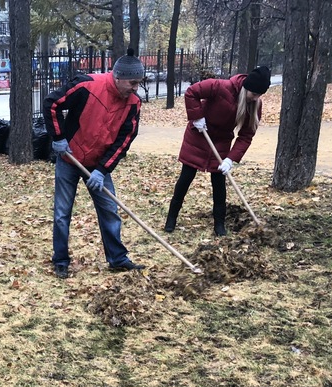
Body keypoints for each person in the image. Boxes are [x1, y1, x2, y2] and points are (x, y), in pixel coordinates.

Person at [43, 49, 146, 279]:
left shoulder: (133, 103)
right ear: (118, 77)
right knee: (62, 212)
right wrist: (59, 139)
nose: (135, 88)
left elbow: (125, 138)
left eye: (138, 83)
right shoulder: (87, 85)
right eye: (132, 83)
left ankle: (117, 259)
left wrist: (102, 170)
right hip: (70, 158)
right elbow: (51, 104)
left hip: (98, 164)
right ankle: (60, 260)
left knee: (110, 210)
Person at [164, 66, 271, 236]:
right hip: (199, 134)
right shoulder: (220, 87)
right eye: (254, 93)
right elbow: (192, 92)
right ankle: (171, 219)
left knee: (219, 184)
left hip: (221, 142)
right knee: (186, 177)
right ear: (247, 88)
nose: (256, 98)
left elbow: (246, 135)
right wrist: (197, 116)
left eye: (260, 95)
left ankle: (219, 225)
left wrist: (231, 159)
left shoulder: (254, 104)